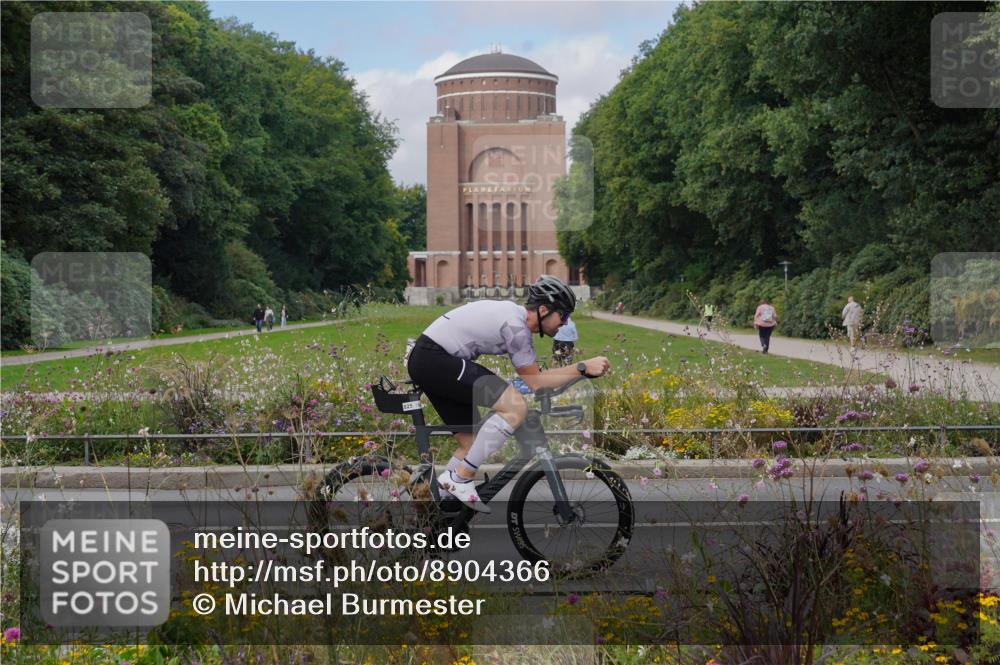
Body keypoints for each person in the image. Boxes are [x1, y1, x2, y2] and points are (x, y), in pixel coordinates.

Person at [406, 275, 610, 512]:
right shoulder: (516, 327)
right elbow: (536, 383)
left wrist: (577, 373)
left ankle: (433, 513)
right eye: (563, 315)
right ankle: (460, 479)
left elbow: (534, 377)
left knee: (470, 445)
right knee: (515, 406)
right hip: (435, 358)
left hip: (431, 360)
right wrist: (582, 367)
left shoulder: (516, 321)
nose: (565, 323)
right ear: (544, 310)